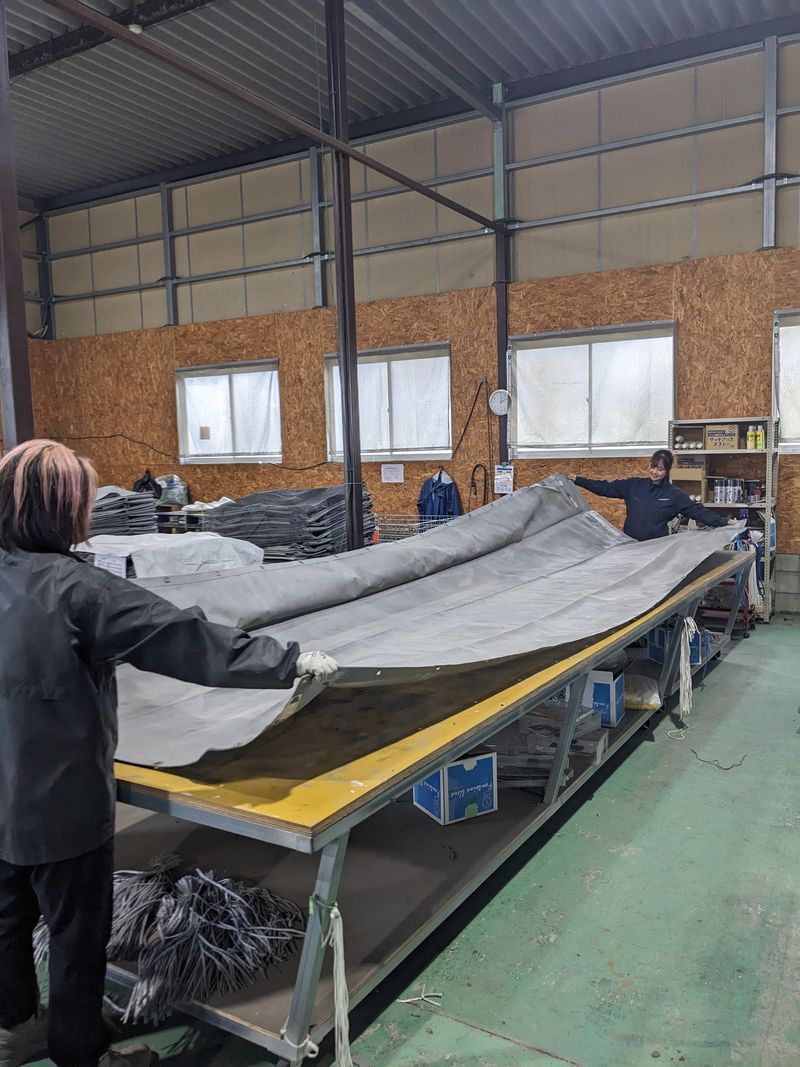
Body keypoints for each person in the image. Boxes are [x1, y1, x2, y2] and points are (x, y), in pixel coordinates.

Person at [0, 440, 339, 1067]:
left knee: (6, 920)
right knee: (76, 937)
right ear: (64, 510)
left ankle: (16, 1027)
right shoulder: (79, 590)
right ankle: (81, 1053)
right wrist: (287, 661)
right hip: (59, 805)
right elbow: (181, 638)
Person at [568, 448, 733, 541]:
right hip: (631, 545)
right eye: (653, 467)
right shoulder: (634, 486)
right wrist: (577, 480)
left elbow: (697, 511)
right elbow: (605, 487)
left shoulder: (674, 494)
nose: (655, 472)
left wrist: (724, 522)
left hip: (656, 549)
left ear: (667, 471)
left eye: (660, 469)